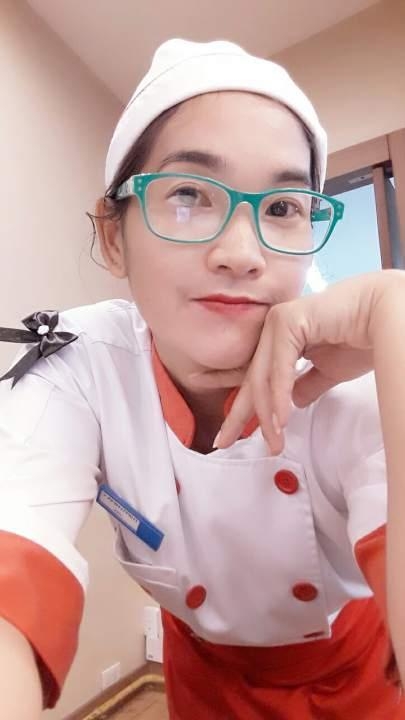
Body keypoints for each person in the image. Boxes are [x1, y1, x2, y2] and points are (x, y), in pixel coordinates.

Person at [0, 38, 404, 720]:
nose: (241, 254)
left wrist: (397, 321)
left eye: (283, 207)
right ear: (113, 236)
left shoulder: (354, 388)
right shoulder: (79, 367)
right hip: (203, 682)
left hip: (363, 677)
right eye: (188, 194)